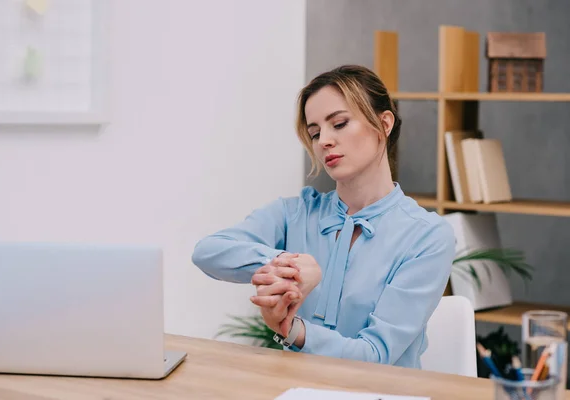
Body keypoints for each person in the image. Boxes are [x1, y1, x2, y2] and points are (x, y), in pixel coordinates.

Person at [191, 65, 455, 369]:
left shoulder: (427, 235)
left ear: (384, 124)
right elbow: (208, 252)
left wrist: (293, 330)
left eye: (339, 124)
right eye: (315, 133)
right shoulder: (297, 212)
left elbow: (375, 355)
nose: (324, 141)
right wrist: (288, 265)